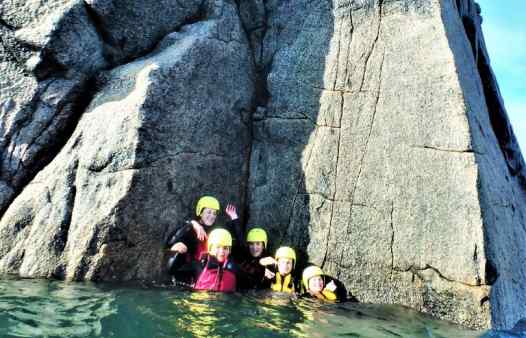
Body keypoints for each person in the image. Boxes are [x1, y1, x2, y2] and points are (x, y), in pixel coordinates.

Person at [166, 196, 241, 284]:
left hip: (214, 269)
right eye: (208, 212)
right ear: (200, 213)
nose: (212, 216)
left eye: (214, 213)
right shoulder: (191, 229)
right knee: (179, 247)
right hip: (195, 271)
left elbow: (240, 243)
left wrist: (234, 218)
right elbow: (170, 243)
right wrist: (192, 223)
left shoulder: (218, 228)